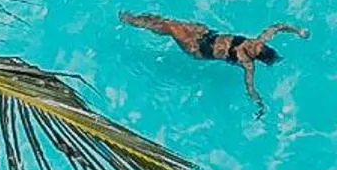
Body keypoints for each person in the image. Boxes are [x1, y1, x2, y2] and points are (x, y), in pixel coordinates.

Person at [121, 11, 308, 114]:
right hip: (206, 34)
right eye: (256, 43)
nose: (253, 43)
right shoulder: (259, 42)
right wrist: (298, 31)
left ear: (254, 56)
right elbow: (279, 27)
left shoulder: (247, 63)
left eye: (254, 48)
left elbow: (250, 87)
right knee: (171, 22)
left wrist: (259, 104)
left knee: (172, 28)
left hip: (198, 49)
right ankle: (140, 19)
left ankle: (130, 20)